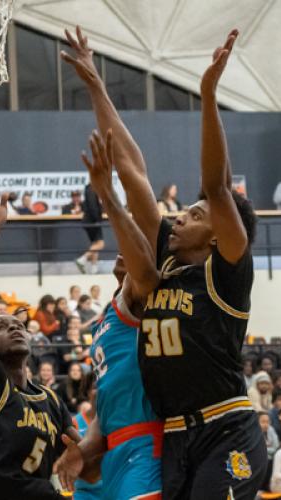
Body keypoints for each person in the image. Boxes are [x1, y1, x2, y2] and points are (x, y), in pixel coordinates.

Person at [61, 25, 266, 498]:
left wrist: (209, 94)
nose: (179, 217)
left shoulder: (225, 276)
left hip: (226, 428)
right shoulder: (164, 262)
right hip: (175, 436)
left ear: (219, 236)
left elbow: (216, 187)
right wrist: (95, 83)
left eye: (194, 216)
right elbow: (132, 170)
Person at [0, 165, 77, 499]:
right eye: (2, 326)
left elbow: (79, 449)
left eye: (19, 325)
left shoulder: (50, 399)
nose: (15, 328)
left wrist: (84, 452)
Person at [53, 127, 162, 497]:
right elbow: (106, 409)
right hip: (110, 452)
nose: (123, 250)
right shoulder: (104, 318)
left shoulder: (140, 297)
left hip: (146, 445)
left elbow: (147, 237)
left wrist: (108, 194)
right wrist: (83, 450)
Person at [71, 372, 103, 500]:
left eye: (103, 386)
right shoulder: (74, 423)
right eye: (96, 387)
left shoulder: (117, 421)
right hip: (85, 494)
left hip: (113, 492)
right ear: (88, 391)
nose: (100, 390)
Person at [75, 184, 104, 275]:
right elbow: (92, 206)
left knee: (95, 244)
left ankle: (93, 268)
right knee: (100, 244)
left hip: (91, 221)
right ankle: (82, 260)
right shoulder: (92, 188)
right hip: (92, 221)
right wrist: (97, 219)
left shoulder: (93, 188)